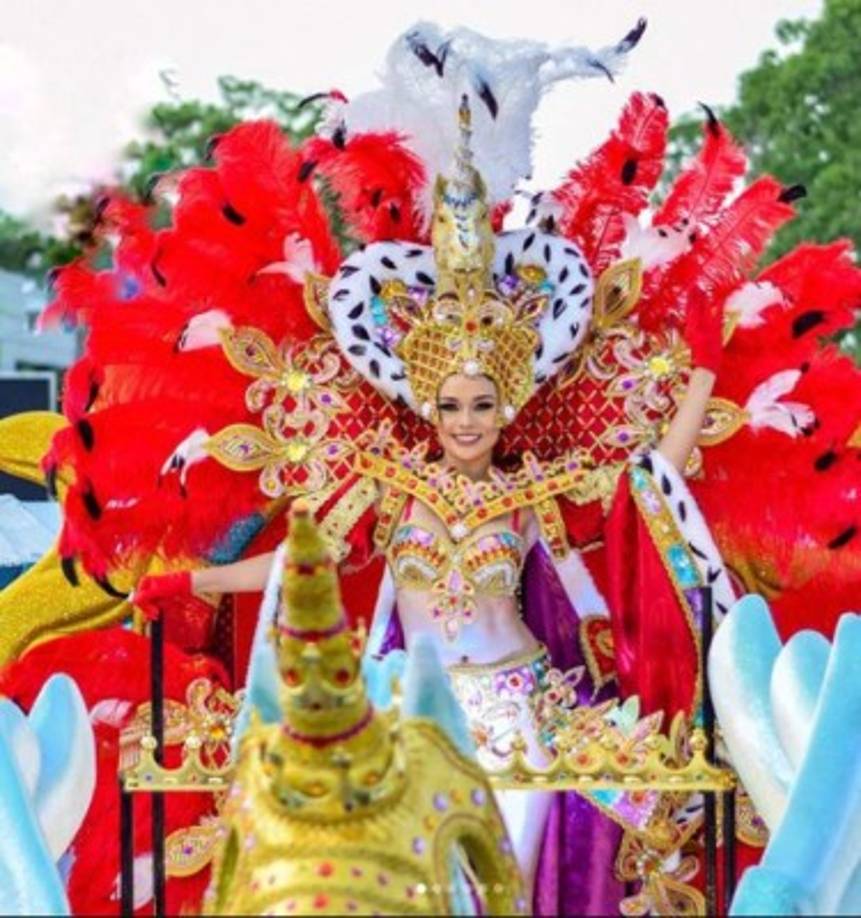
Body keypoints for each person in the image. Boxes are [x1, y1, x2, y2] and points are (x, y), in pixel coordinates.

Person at [132, 96, 733, 909]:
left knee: (514, 884)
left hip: (521, 713)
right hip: (405, 707)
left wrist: (700, 375)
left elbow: (649, 488)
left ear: (507, 405)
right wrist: (190, 586)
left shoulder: (533, 498)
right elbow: (295, 569)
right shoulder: (387, 487)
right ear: (425, 405)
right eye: (450, 406)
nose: (465, 423)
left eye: (482, 405)